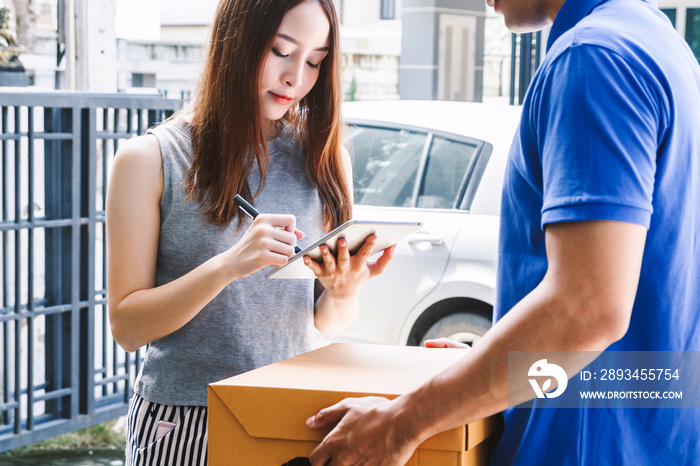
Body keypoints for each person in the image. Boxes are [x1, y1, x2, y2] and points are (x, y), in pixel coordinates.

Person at [306, 0, 700, 464]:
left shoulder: (593, 58)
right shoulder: (659, 42)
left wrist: (401, 423)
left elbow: (588, 310)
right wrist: (490, 366)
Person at [106, 1, 394, 465]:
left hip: (290, 413)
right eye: (281, 51)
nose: (296, 78)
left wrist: (342, 291)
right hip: (183, 422)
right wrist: (228, 265)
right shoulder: (149, 160)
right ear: (236, 42)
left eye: (315, 61)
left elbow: (323, 322)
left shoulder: (324, 158)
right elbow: (127, 326)